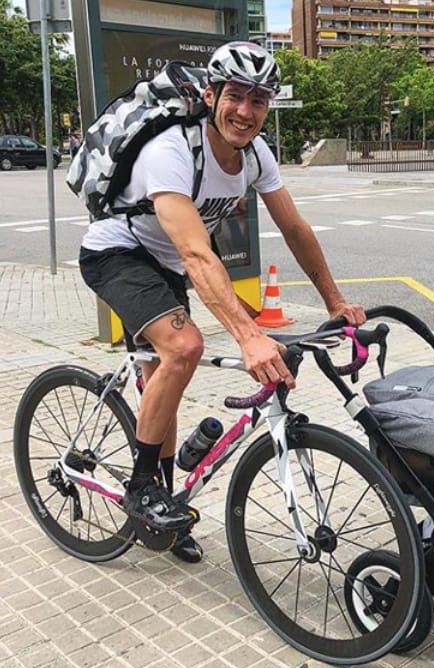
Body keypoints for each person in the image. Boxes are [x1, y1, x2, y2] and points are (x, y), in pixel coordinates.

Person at [78, 41, 366, 563]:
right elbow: (195, 252)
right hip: (116, 254)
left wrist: (334, 302)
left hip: (164, 265)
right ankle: (142, 489)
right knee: (184, 348)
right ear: (211, 95)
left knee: (165, 379)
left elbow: (295, 228)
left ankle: (162, 513)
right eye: (235, 96)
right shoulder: (171, 150)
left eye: (258, 100)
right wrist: (249, 337)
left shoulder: (255, 154)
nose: (245, 111)